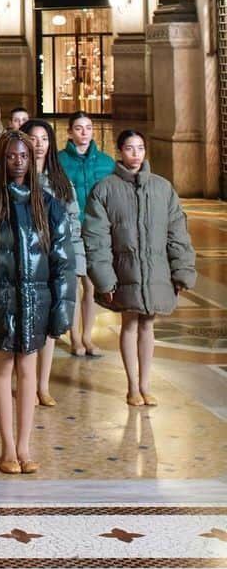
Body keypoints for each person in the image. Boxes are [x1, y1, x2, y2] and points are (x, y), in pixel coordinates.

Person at [0, 130, 75, 475]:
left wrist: (62, 306)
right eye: (11, 156)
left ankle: (25, 445)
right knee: (3, 369)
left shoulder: (48, 205)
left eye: (23, 156)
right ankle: (7, 446)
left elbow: (62, 262)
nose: (18, 162)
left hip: (36, 300)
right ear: (1, 159)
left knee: (28, 373)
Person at [83, 129, 197, 408]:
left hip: (156, 271)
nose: (135, 154)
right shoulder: (105, 189)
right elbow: (96, 238)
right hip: (125, 271)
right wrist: (104, 279)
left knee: (148, 325)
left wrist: (181, 271)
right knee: (130, 323)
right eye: (130, 148)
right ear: (119, 151)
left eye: (140, 148)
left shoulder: (162, 188)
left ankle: (146, 385)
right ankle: (132, 386)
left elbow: (177, 233)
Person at [24, 119, 84, 405]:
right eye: (33, 138)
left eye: (44, 139)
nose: (38, 144)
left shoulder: (61, 182)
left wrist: (74, 262)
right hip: (25, 261)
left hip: (53, 261)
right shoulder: (16, 177)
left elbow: (73, 222)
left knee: (49, 324)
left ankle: (42, 385)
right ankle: (25, 383)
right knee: (27, 323)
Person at [58, 111, 115, 356]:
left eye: (88, 128)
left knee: (92, 286)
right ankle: (74, 338)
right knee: (73, 285)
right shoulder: (58, 161)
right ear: (70, 132)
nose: (84, 133)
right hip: (69, 229)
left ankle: (87, 336)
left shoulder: (106, 162)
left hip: (96, 231)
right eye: (79, 128)